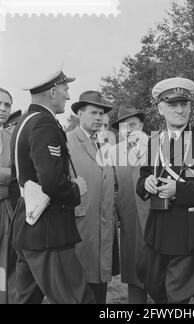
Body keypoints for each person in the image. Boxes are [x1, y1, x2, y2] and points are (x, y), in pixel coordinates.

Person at [136, 77, 194, 304]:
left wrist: (178, 190)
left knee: (177, 297)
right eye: (172, 104)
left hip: (190, 232)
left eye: (184, 104)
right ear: (160, 108)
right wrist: (147, 183)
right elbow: (142, 178)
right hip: (158, 233)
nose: (180, 110)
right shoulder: (154, 141)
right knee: (155, 287)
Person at [10, 67, 95, 304]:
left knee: (26, 299)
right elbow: (52, 182)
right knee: (78, 298)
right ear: (53, 91)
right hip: (48, 229)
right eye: (66, 89)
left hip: (28, 225)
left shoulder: (24, 122)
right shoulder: (44, 124)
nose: (68, 95)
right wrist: (76, 189)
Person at [68, 90, 119, 304]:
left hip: (104, 227)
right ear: (80, 114)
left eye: (102, 113)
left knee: (100, 288)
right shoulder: (67, 141)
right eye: (93, 113)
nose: (99, 117)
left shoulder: (105, 144)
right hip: (80, 226)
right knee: (78, 288)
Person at [109, 105, 149, 304]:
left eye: (133, 124)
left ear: (141, 124)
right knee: (134, 273)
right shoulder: (113, 152)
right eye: (124, 127)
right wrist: (116, 212)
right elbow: (113, 187)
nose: (130, 130)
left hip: (155, 220)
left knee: (160, 273)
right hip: (130, 220)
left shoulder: (156, 146)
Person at [0, 88, 17, 304]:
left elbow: (22, 170)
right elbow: (17, 173)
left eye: (7, 105)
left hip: (8, 210)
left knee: (6, 264)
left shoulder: (11, 137)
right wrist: (12, 175)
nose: (2, 108)